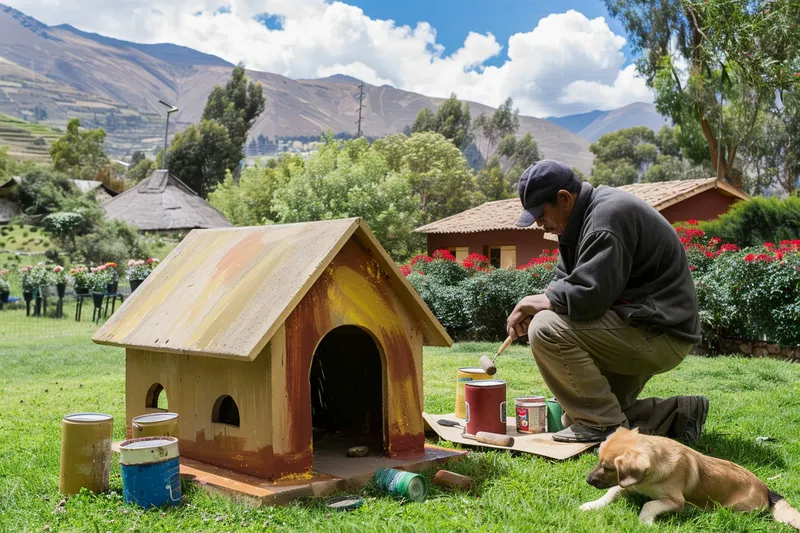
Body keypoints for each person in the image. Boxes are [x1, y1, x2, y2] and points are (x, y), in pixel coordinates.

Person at [507, 160, 708, 444]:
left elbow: (590, 296)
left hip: (660, 332)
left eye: (541, 214)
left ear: (564, 198)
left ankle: (603, 427)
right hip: (641, 324)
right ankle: (678, 413)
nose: (540, 223)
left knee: (544, 328)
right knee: (578, 414)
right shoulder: (576, 224)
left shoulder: (606, 218)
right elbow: (566, 283)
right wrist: (546, 301)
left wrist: (536, 305)